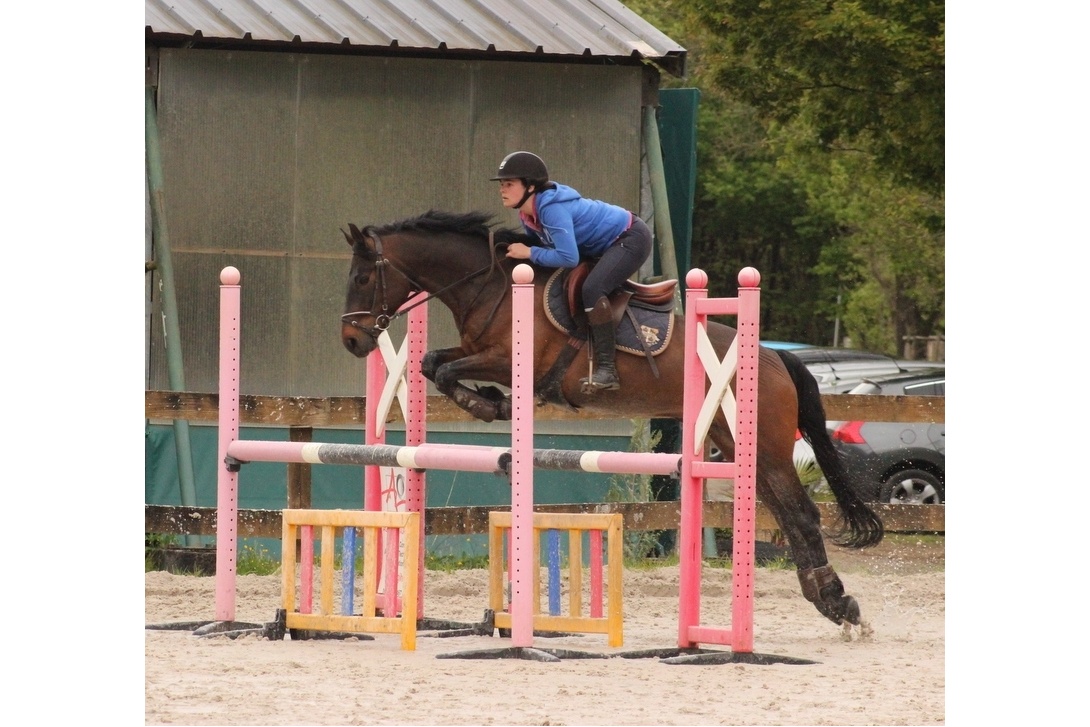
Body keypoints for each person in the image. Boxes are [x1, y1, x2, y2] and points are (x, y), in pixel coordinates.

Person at [491, 150, 652, 393]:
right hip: (603, 245)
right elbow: (550, 249)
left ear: (530, 187)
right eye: (502, 184)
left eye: (509, 184)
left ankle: (608, 370)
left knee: (592, 288)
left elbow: (567, 257)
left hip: (630, 238)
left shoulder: (551, 210)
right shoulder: (526, 214)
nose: (502, 189)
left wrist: (529, 253)